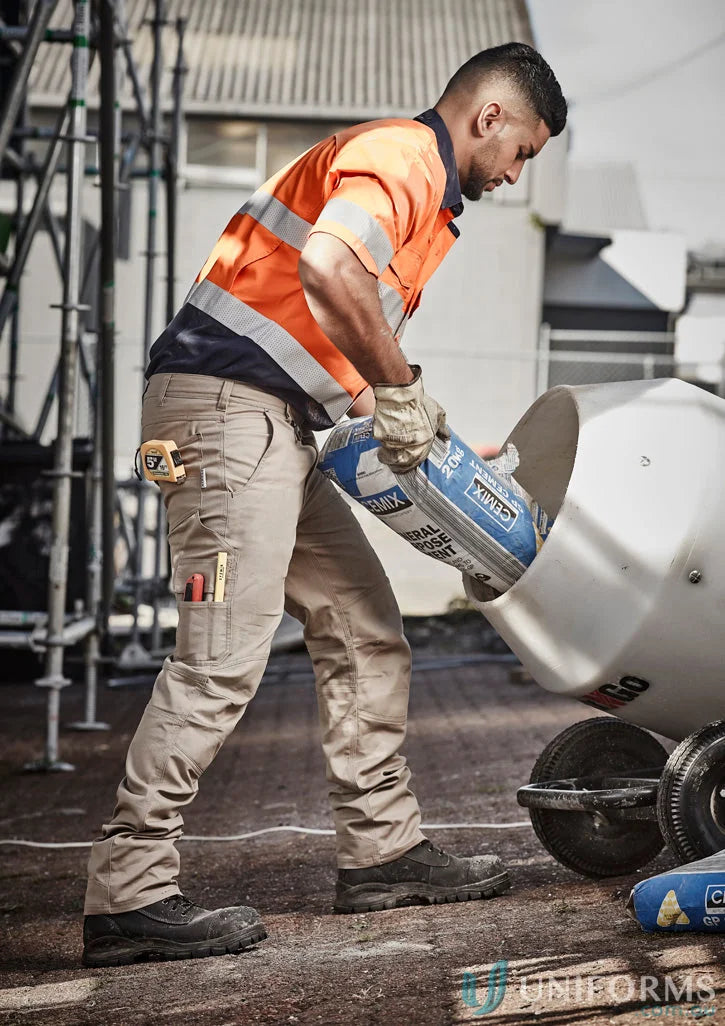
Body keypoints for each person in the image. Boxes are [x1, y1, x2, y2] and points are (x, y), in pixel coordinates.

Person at [82, 42, 566, 968]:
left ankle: (381, 853)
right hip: (227, 415)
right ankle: (129, 893)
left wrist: (442, 441)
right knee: (222, 658)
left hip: (272, 423)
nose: (515, 174)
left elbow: (346, 360)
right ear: (489, 118)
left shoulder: (424, 200)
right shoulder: (402, 159)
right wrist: (398, 390)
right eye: (522, 154)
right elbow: (330, 270)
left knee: (364, 626)